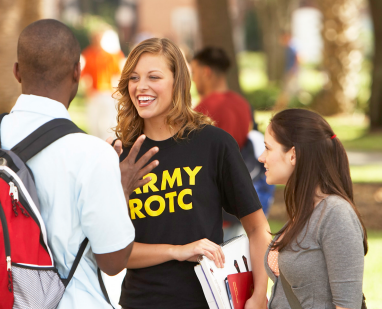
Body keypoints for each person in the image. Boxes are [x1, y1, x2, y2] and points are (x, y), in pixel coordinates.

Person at [0, 19, 136, 308]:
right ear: (77, 72)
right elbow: (113, 261)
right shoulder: (93, 154)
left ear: (17, 72)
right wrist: (122, 190)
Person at [111, 38, 271, 309]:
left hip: (208, 301)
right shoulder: (120, 156)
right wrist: (178, 251)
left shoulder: (213, 144)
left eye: (154, 77)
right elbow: (114, 255)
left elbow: (257, 228)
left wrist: (258, 295)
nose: (141, 86)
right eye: (134, 78)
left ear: (178, 82)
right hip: (139, 302)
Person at [259, 109, 367, 309]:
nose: (261, 157)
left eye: (267, 148)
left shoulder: (335, 213)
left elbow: (347, 305)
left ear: (293, 155)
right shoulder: (304, 212)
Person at [191, 46, 275, 236]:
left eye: (194, 73)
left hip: (216, 205)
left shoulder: (204, 108)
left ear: (206, 72)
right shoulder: (243, 104)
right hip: (241, 195)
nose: (193, 79)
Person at [81, 29, 125, 140]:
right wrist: (88, 91)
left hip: (109, 92)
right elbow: (86, 75)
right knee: (94, 121)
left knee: (110, 122)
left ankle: (111, 143)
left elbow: (118, 74)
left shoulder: (113, 53)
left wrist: (117, 91)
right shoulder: (88, 54)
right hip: (95, 93)